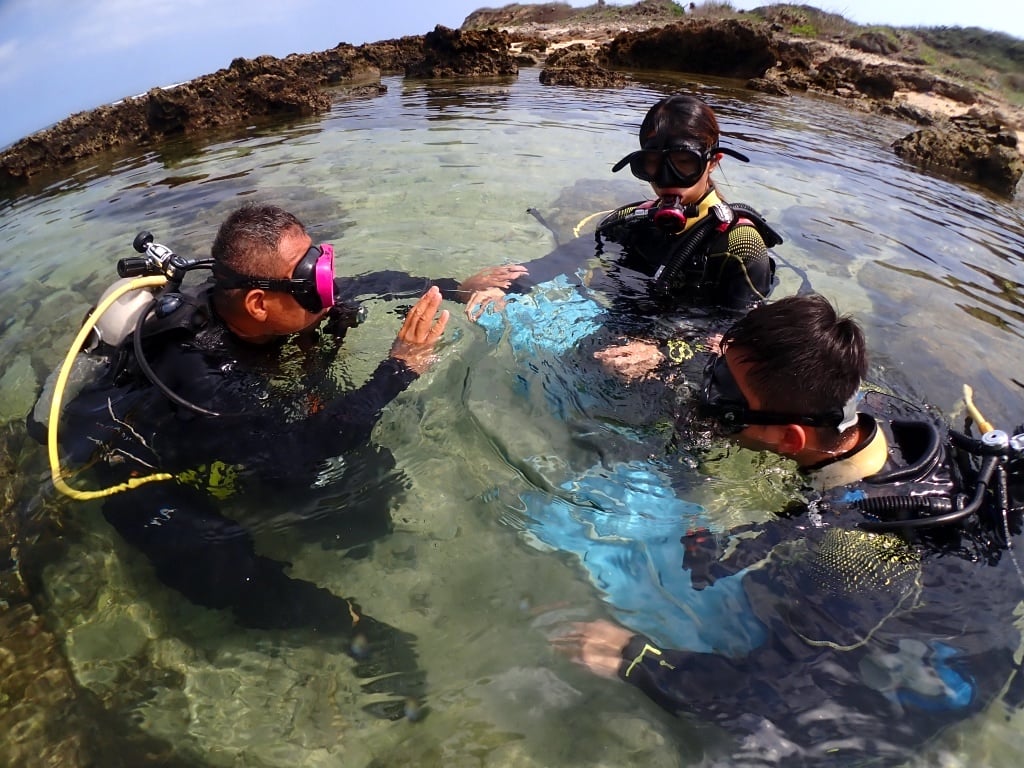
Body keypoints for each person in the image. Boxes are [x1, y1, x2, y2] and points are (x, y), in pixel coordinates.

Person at [31, 203, 521, 719]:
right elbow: (289, 453)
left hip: (239, 431)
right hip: (131, 458)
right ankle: (351, 627)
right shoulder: (202, 373)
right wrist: (398, 369)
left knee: (364, 510)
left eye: (319, 265)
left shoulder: (278, 294)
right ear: (260, 303)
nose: (327, 288)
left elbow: (369, 283)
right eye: (312, 281)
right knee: (216, 571)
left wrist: (454, 285)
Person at [553, 294, 1024, 765]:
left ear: (790, 439)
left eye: (727, 397)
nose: (709, 395)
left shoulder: (855, 557)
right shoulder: (880, 407)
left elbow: (763, 692)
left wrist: (636, 659)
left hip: (933, 674)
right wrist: (668, 353)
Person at [471, 92, 783, 383]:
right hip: (616, 336)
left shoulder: (740, 245)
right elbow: (557, 262)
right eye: (653, 165)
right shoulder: (630, 221)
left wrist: (661, 355)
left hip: (679, 364)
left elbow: (741, 341)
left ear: (714, 161)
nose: (666, 180)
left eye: (684, 163)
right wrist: (497, 286)